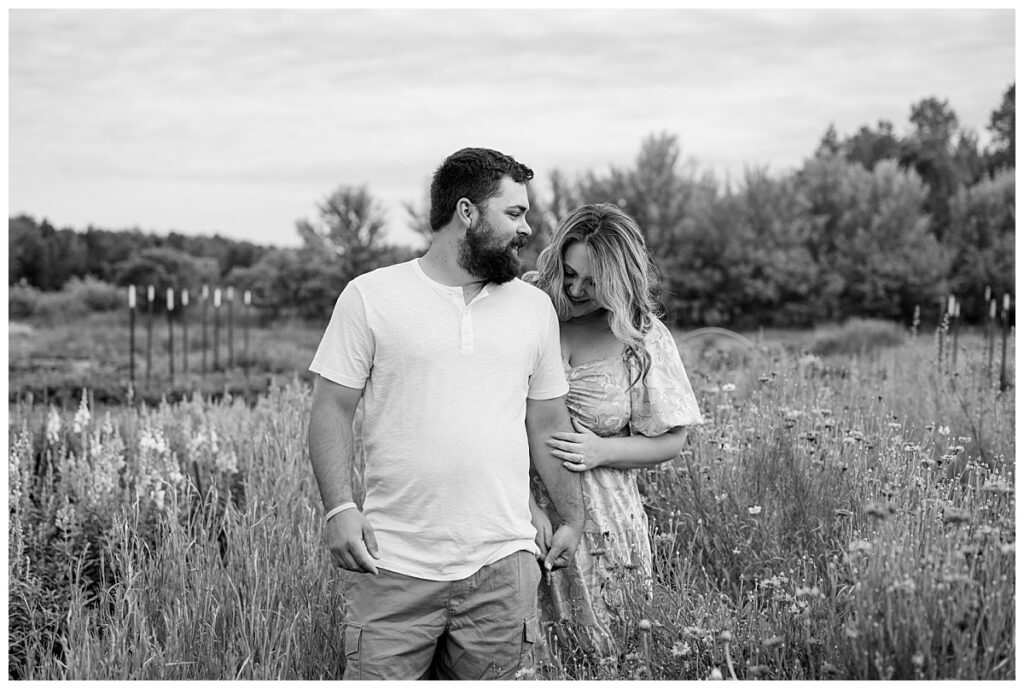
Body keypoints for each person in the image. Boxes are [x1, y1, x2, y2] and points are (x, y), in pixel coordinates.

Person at [306, 147, 585, 681]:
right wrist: (339, 508)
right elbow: (332, 409)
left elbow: (547, 421)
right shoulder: (371, 296)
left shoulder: (533, 309)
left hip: (503, 567)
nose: (528, 228)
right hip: (390, 565)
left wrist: (573, 518)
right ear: (467, 212)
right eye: (515, 213)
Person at [524, 203, 703, 664]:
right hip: (520, 512)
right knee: (527, 657)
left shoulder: (641, 335)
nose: (576, 290)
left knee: (609, 654)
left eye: (593, 282)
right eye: (569, 273)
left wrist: (601, 450)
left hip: (607, 525)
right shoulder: (526, 307)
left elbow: (673, 438)